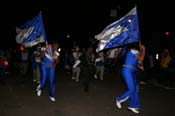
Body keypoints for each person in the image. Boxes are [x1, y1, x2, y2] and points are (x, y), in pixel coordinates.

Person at [115, 42, 145, 114]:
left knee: (136, 88)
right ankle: (119, 99)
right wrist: (144, 50)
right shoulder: (131, 51)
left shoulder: (137, 52)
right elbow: (141, 57)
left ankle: (132, 105)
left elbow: (139, 61)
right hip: (127, 70)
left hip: (134, 71)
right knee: (132, 89)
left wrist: (140, 66)